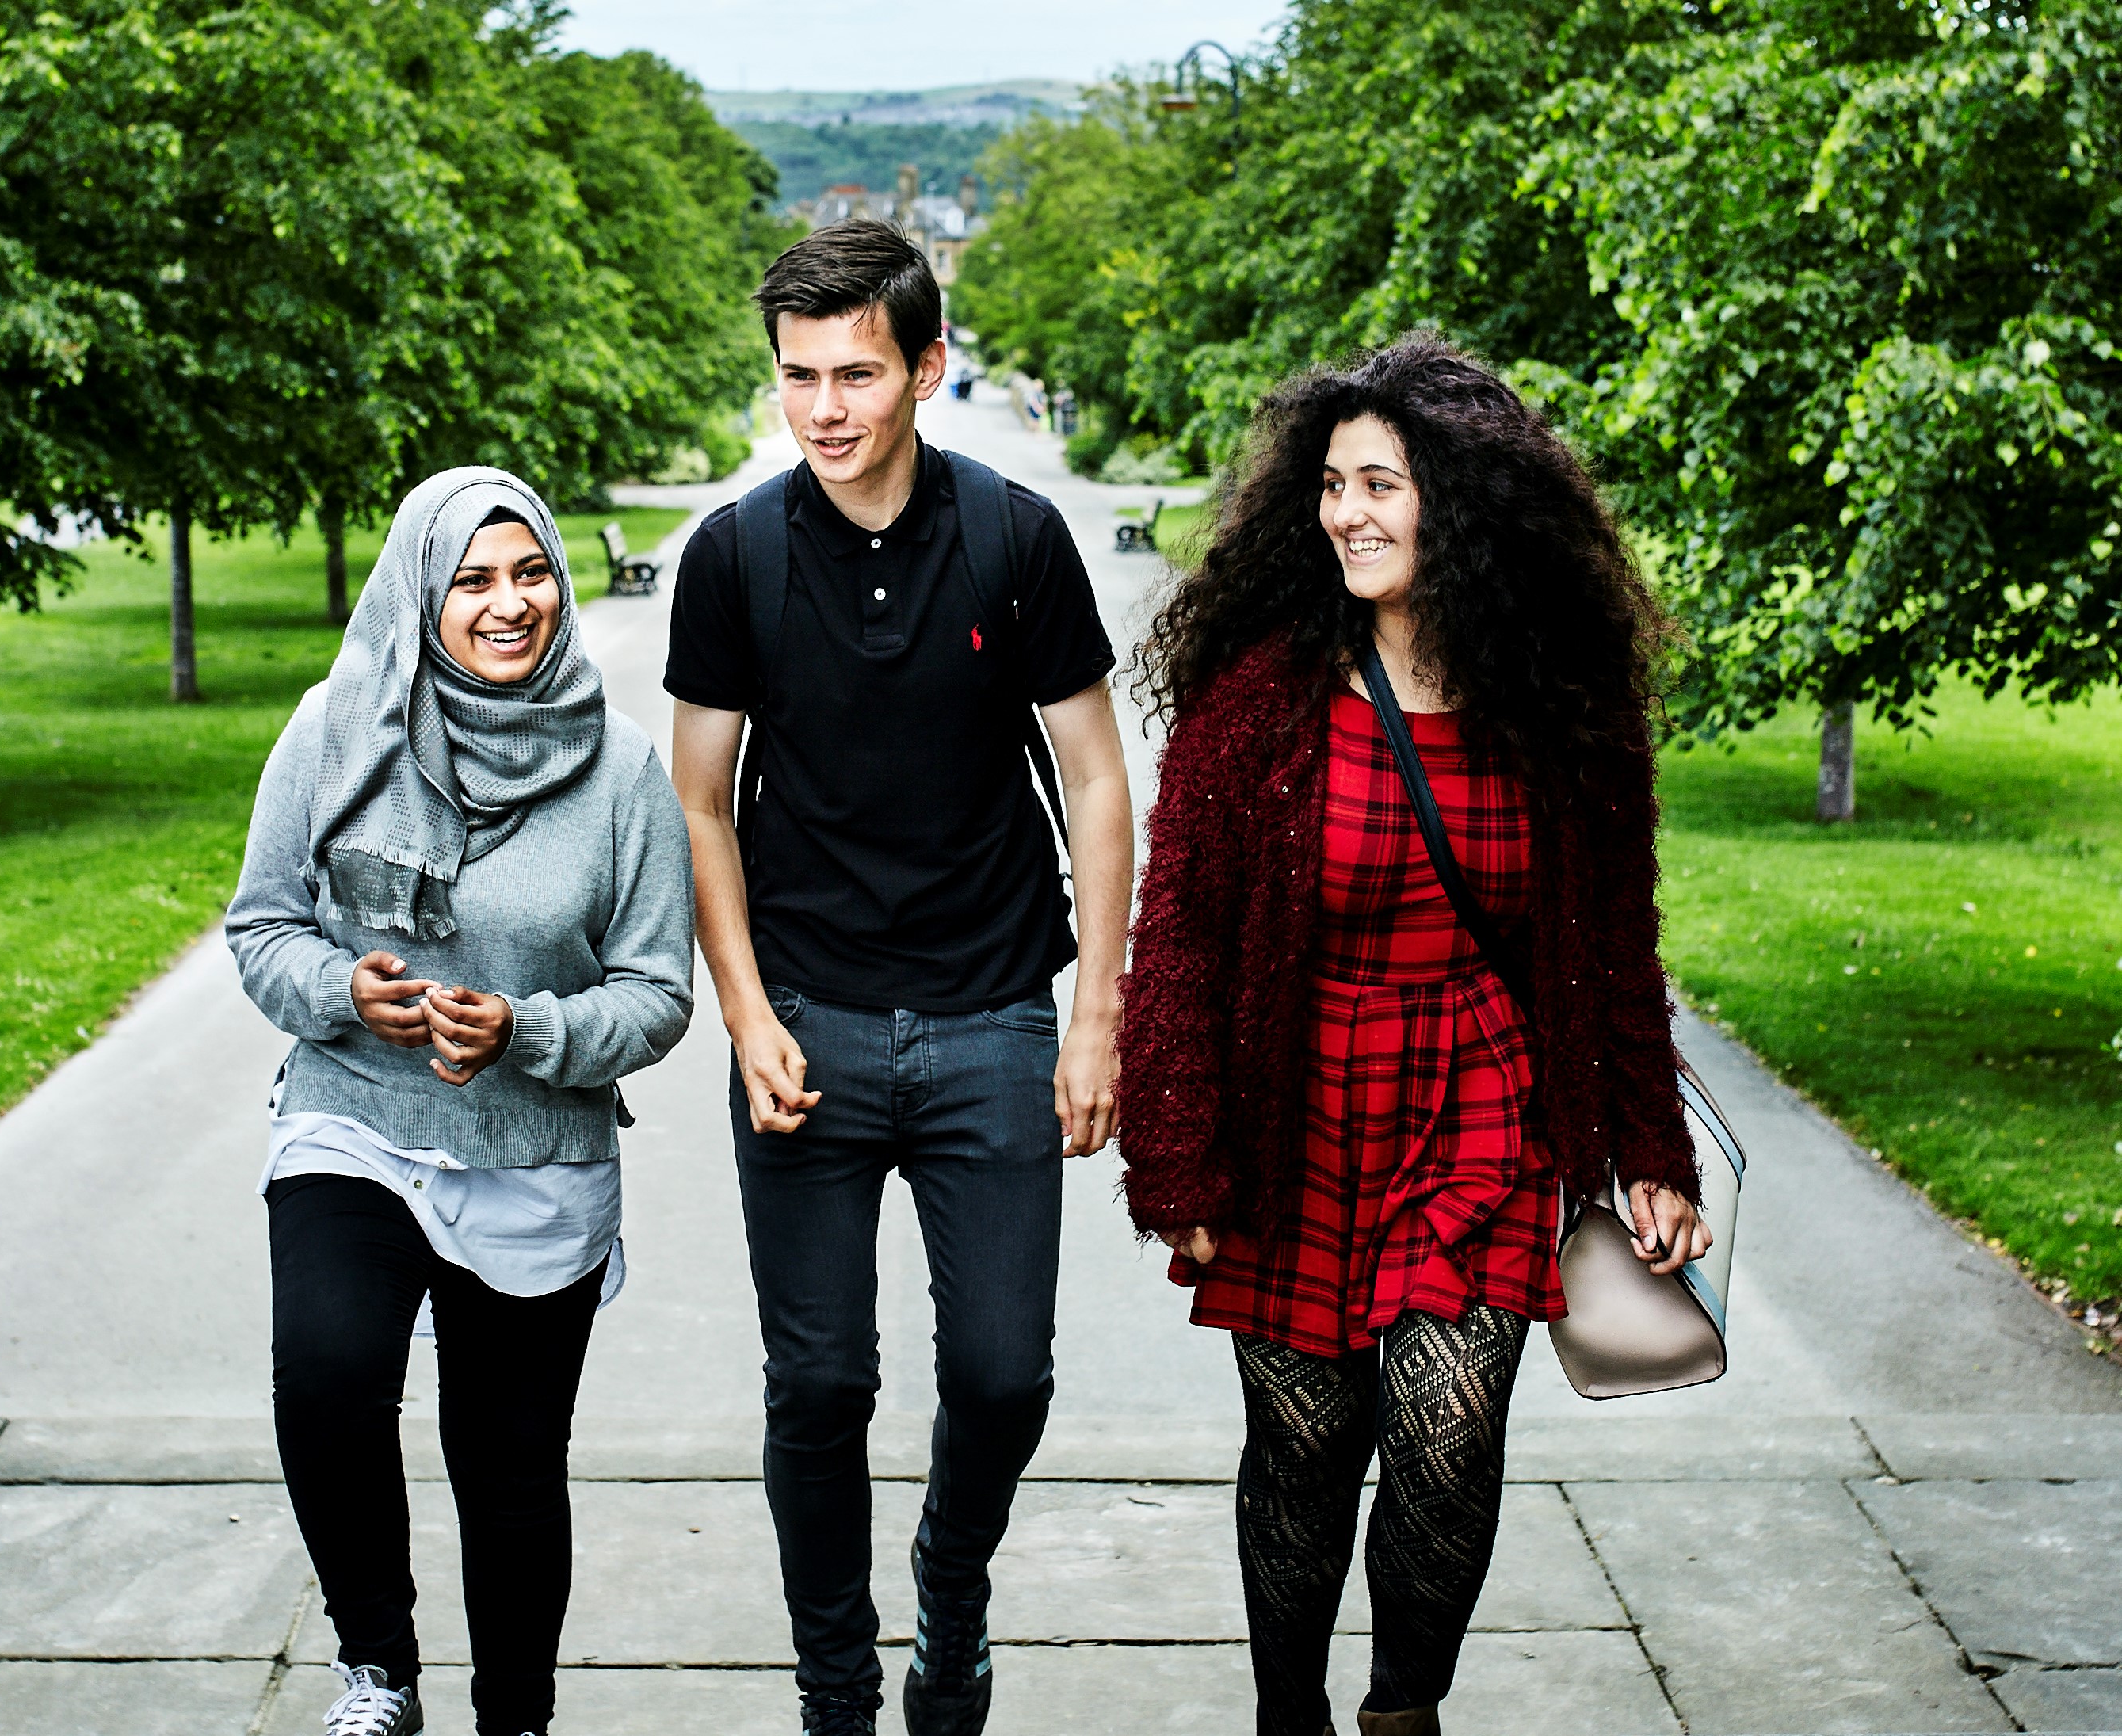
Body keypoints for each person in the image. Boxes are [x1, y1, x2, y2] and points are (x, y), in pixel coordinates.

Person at [1113, 336, 1710, 1736]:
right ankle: (1289, 1714)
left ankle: (1402, 1712)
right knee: (1306, 1440)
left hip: (1484, 1099)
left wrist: (1649, 1147)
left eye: (1382, 483)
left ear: (1464, 501)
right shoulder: (1258, 697)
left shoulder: (1564, 708)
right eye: (1331, 485)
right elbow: (1180, 942)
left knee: (1447, 1441)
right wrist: (1178, 1170)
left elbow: (1615, 945)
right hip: (1294, 1102)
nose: (1349, 514)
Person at [665, 221, 1135, 1736]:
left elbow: (1097, 780)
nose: (824, 408)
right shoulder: (735, 559)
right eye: (798, 377)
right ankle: (837, 1690)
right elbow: (698, 798)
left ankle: (951, 1581)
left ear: (927, 368)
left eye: (856, 373)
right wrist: (743, 1014)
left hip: (997, 1013)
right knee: (818, 1387)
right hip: (805, 1020)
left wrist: (1096, 1018)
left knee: (1003, 1376)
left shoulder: (1015, 538)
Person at [227, 467, 694, 1736]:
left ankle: (517, 1717)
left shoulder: (622, 775)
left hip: (534, 1150)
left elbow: (658, 995)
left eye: (530, 572)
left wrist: (530, 1030)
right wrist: (341, 989)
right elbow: (262, 927)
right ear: (419, 593)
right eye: (472, 581)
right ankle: (376, 1667)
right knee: (327, 1378)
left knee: (508, 1469)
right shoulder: (335, 729)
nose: (509, 604)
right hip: (353, 1120)